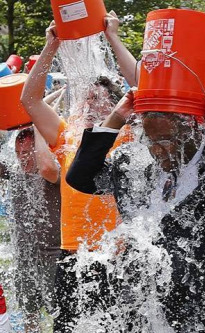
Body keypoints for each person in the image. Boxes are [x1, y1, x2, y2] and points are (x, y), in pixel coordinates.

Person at [65, 87, 205, 332]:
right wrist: (116, 117)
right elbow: (80, 177)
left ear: (191, 130)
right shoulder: (135, 167)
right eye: (150, 141)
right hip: (150, 307)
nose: (156, 150)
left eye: (165, 141)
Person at [20, 20, 131, 332]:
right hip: (73, 254)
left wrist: (113, 37)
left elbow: (142, 87)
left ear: (117, 106)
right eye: (88, 98)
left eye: (100, 98)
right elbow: (29, 101)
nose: (92, 103)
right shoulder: (68, 135)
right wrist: (50, 47)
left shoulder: (128, 137)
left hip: (117, 255)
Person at [0, 127, 60, 332]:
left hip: (54, 256)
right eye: (17, 153)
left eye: (26, 153)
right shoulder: (16, 174)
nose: (21, 159)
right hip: (26, 257)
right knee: (30, 313)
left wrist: (39, 127)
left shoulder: (55, 174)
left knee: (61, 315)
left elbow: (47, 168)